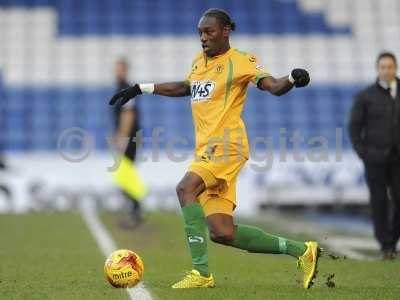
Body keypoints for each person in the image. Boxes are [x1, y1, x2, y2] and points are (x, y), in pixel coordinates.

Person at [109, 8, 320, 288]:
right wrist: (140, 88)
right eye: (200, 33)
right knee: (222, 232)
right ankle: (303, 251)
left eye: (209, 32)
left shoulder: (241, 61)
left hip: (227, 145)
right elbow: (186, 87)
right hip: (207, 149)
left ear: (225, 31)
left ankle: (201, 273)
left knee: (185, 189)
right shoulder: (199, 62)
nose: (203, 38)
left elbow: (272, 85)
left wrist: (292, 79)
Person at [349, 52, 400, 260]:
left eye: (390, 67)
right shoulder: (366, 95)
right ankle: (385, 244)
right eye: (382, 67)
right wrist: (364, 153)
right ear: (377, 69)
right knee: (379, 202)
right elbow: (354, 127)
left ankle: (392, 239)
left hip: (398, 159)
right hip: (375, 159)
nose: (386, 70)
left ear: (395, 68)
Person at [112, 58, 147, 229]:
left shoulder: (126, 88)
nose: (117, 72)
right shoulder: (122, 87)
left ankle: (135, 210)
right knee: (124, 174)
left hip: (130, 137)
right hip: (129, 136)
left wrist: (122, 137)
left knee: (125, 174)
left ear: (125, 70)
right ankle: (134, 210)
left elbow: (128, 114)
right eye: (116, 69)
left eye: (120, 69)